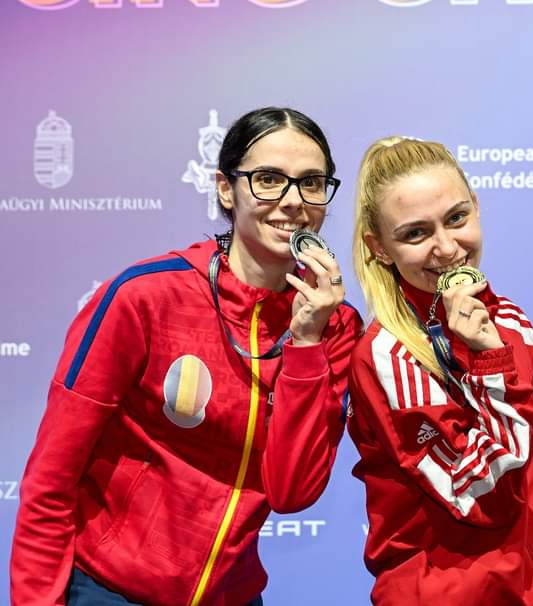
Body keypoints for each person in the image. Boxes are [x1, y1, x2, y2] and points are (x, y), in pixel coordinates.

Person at [9, 107, 362, 606]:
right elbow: (51, 479)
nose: (292, 201)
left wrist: (306, 341)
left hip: (232, 596)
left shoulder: (336, 325)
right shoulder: (146, 296)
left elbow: (292, 492)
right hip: (109, 591)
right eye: (267, 180)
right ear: (225, 189)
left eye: (311, 183)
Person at [346, 136, 533, 605]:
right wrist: (488, 360)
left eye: (456, 218)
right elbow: (487, 496)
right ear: (379, 247)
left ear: (477, 208)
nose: (447, 247)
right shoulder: (389, 355)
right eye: (415, 233)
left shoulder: (508, 318)